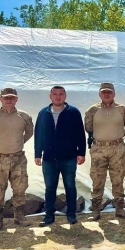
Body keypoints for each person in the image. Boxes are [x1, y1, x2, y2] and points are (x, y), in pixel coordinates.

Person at [0, 88, 34, 230]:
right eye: (6, 97)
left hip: (18, 158)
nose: (9, 100)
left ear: (16, 99)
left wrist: (17, 143)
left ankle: (19, 216)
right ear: (0, 99)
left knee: (20, 187)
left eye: (12, 97)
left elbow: (29, 133)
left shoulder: (24, 116)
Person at [34, 86, 86, 226]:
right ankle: (49, 216)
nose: (58, 97)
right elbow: (38, 133)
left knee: (70, 186)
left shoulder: (73, 112)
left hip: (69, 157)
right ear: (50, 96)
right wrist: (37, 153)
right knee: (50, 188)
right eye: (55, 94)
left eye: (61, 94)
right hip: (49, 158)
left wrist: (81, 152)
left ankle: (71, 214)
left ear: (65, 96)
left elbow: (80, 133)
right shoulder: (43, 113)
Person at [84, 83, 125, 221]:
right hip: (98, 149)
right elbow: (88, 128)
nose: (107, 94)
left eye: (109, 92)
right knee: (97, 179)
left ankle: (119, 209)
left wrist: (118, 136)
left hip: (117, 148)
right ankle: (96, 210)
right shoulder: (92, 110)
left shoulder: (122, 109)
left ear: (114, 94)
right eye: (104, 92)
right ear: (100, 94)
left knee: (118, 178)